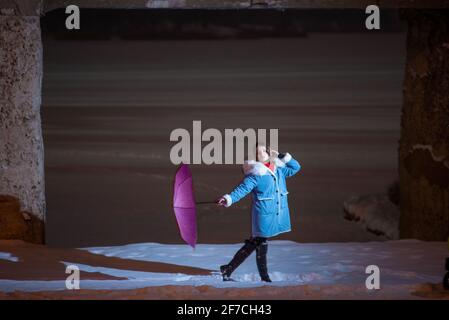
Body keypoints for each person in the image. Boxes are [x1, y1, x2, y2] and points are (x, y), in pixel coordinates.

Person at [216, 145, 301, 282]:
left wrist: (284, 157)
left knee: (257, 242)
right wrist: (228, 198)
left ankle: (229, 269)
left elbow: (295, 168)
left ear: (268, 152)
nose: (261, 153)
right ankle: (263, 277)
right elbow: (242, 189)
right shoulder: (255, 174)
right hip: (264, 214)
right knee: (260, 241)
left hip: (276, 213)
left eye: (263, 150)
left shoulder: (278, 168)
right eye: (257, 152)